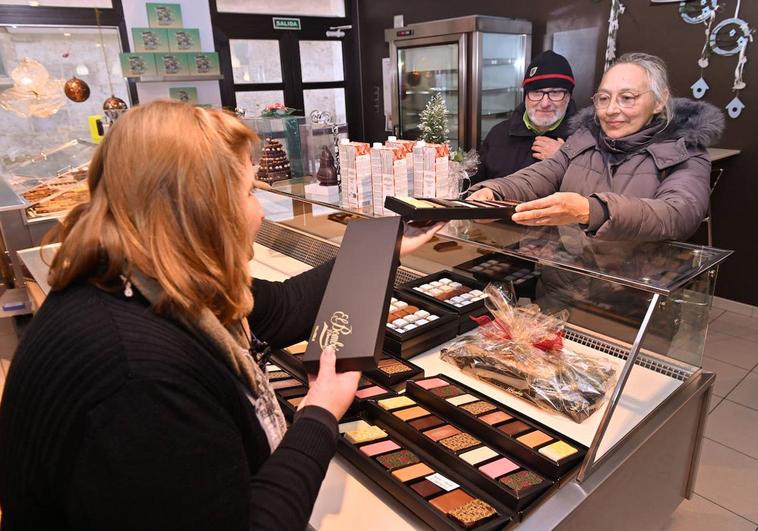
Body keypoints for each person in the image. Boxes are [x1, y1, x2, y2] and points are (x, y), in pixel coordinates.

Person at [0, 101, 444, 530]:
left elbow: (284, 306)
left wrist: (386, 246)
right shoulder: (136, 378)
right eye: (249, 191)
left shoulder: (146, 277)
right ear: (202, 208)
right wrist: (319, 413)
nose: (257, 210)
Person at [469, 52, 724, 242]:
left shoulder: (686, 151)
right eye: (604, 98)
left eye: (627, 98)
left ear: (660, 101)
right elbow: (541, 175)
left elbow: (677, 215)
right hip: (562, 284)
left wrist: (590, 210)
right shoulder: (583, 139)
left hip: (636, 296)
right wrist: (494, 191)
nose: (611, 110)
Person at [471, 50, 578, 185]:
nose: (545, 103)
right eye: (536, 92)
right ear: (526, 96)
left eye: (555, 93)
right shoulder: (499, 134)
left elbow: (594, 196)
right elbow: (474, 186)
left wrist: (565, 160)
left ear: (568, 97)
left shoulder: (585, 140)